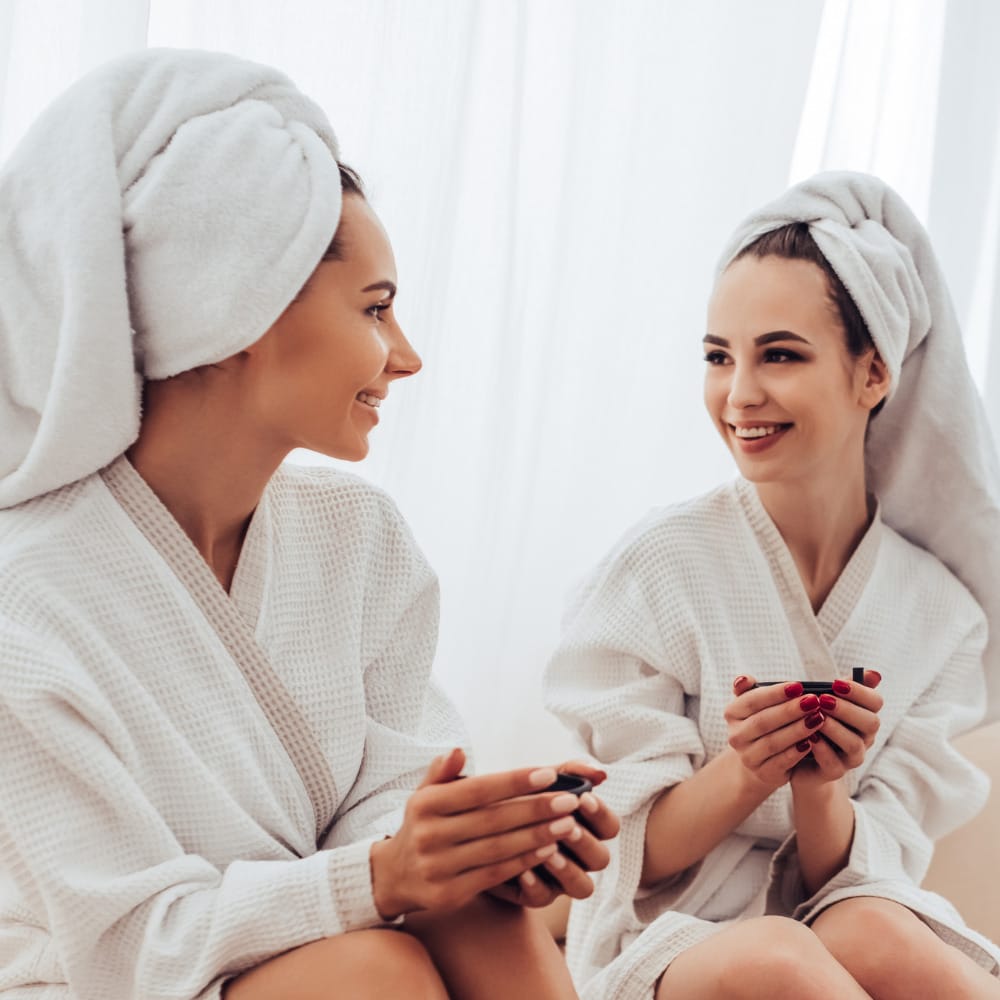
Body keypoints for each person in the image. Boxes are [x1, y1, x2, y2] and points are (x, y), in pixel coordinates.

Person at [0, 48, 618, 1000]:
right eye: (376, 309)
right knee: (375, 970)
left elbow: (386, 795)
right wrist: (376, 876)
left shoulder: (357, 539)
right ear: (237, 308)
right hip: (107, 978)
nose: (405, 357)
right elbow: (128, 942)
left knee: (475, 911)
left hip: (297, 946)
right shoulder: (27, 601)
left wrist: (482, 843)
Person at [545, 172, 1000, 1000]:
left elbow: (868, 875)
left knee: (871, 925)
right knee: (776, 958)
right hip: (667, 933)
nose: (740, 394)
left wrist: (821, 786)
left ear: (874, 374)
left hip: (843, 914)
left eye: (780, 354)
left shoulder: (942, 615)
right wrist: (747, 772)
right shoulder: (659, 565)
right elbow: (625, 853)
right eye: (719, 357)